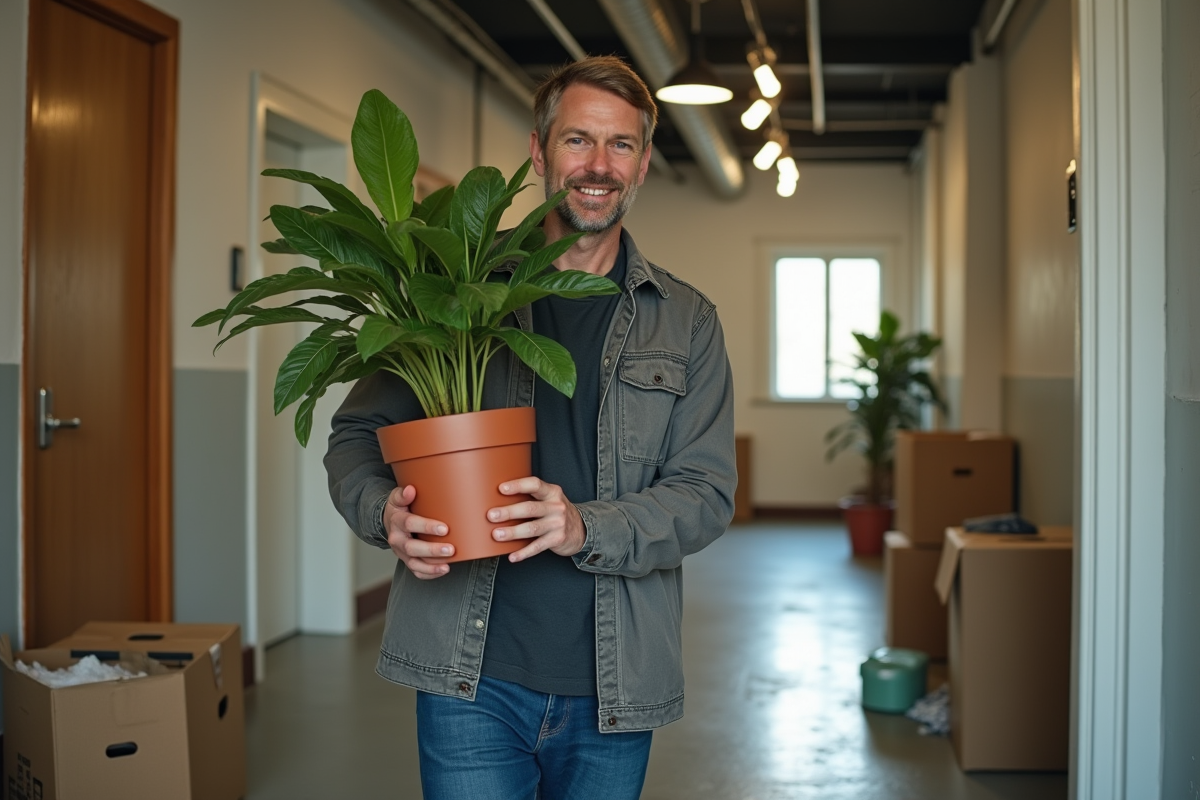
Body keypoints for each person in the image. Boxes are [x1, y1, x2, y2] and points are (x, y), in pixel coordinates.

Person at [324, 55, 736, 800]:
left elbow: (705, 493)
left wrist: (586, 526)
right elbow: (355, 438)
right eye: (579, 140)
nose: (599, 166)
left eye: (620, 145)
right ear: (539, 152)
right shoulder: (451, 294)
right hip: (469, 672)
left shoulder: (687, 322)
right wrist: (381, 510)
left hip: (614, 683)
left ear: (642, 164)